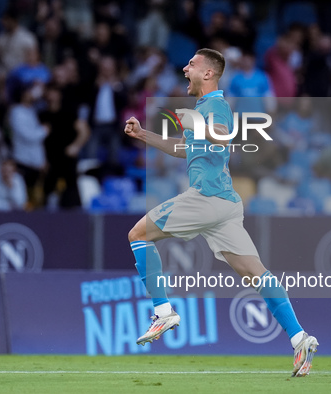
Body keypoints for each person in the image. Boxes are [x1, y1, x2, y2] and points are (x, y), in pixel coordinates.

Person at [124, 48, 318, 377]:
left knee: (138, 234)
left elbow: (223, 136)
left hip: (206, 197)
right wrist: (144, 134)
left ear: (209, 73)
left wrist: (195, 123)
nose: (185, 69)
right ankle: (300, 337)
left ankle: (163, 310)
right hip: (226, 206)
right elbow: (184, 148)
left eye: (191, 65)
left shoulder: (214, 106)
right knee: (257, 274)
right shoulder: (203, 108)